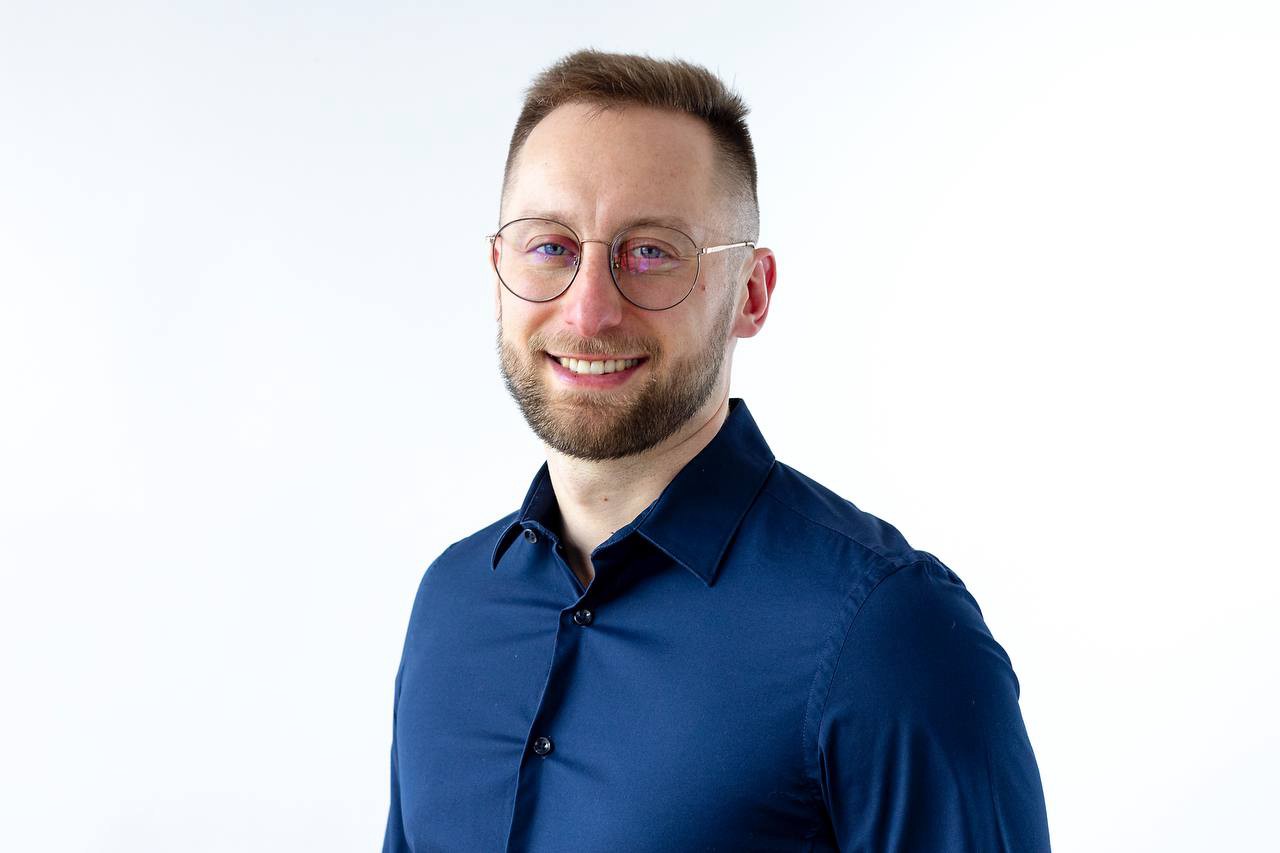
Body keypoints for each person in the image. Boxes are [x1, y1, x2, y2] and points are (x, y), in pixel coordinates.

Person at [382, 49, 1051, 852]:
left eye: (651, 251)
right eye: (551, 246)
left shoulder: (891, 634)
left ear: (752, 293)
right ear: (498, 273)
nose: (588, 311)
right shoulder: (454, 603)